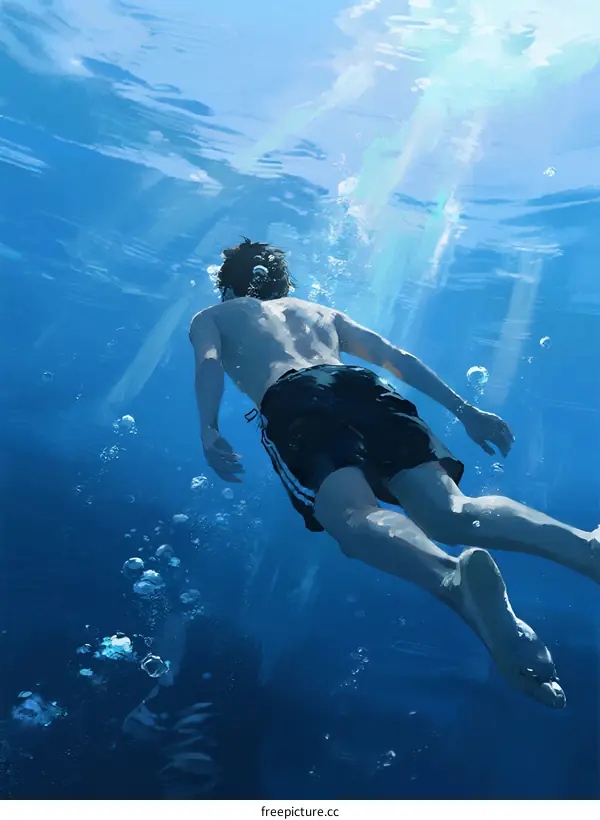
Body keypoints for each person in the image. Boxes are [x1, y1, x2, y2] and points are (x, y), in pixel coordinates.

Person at [189, 237, 599, 709]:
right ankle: (585, 547)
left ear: (227, 286)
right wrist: (465, 409)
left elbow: (209, 362)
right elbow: (394, 356)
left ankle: (451, 579)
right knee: (452, 513)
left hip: (294, 401)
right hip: (362, 386)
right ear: (283, 281)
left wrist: (208, 428)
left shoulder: (212, 317)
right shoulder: (315, 310)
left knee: (353, 519)